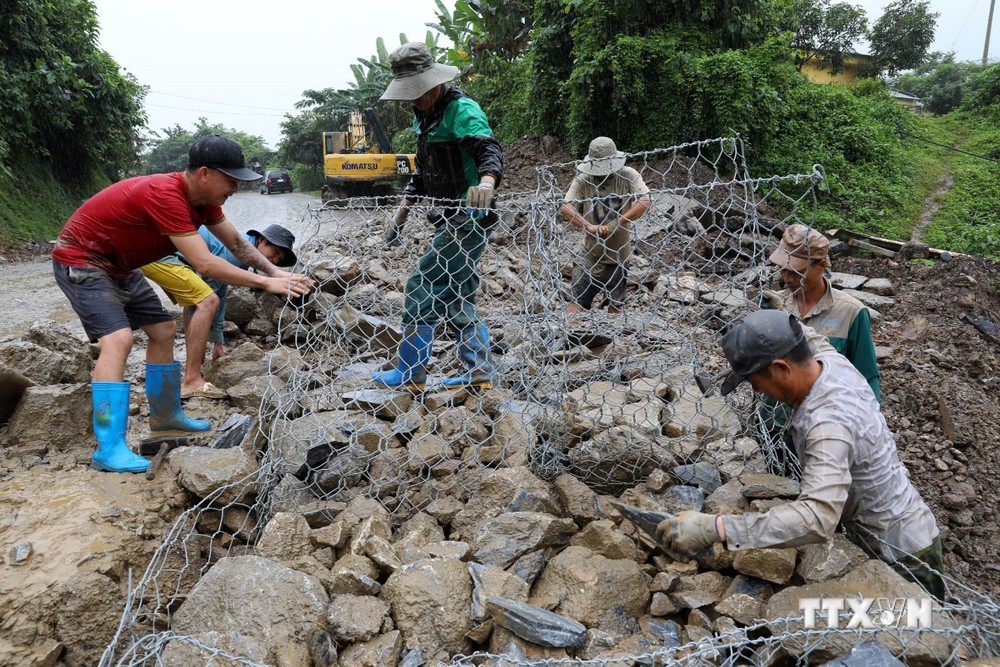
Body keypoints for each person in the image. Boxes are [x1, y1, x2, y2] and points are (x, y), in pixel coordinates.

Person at [52, 135, 314, 474]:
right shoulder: (167, 194)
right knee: (118, 340)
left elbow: (236, 242)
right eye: (231, 180)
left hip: (120, 264)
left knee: (163, 329)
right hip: (83, 257)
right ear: (204, 173)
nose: (235, 188)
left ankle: (164, 417)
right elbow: (204, 264)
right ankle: (109, 445)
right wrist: (266, 282)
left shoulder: (205, 203)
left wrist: (278, 272)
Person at [654, 310, 945, 599]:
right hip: (885, 529)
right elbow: (805, 334)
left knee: (918, 633)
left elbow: (818, 518)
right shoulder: (827, 361)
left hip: (902, 553)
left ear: (782, 369)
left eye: (756, 383)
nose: (758, 391)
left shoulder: (827, 424)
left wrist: (716, 528)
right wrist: (755, 340)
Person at [375, 41, 504, 391]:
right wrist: (401, 212)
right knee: (459, 290)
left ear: (434, 82)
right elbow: (422, 170)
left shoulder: (461, 110)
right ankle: (479, 371)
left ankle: (411, 370)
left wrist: (488, 183)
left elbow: (488, 149)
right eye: (409, 95)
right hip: (446, 216)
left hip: (469, 215)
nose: (412, 100)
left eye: (417, 93)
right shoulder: (425, 115)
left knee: (422, 283)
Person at [141, 224, 298, 399]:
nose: (275, 259)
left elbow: (220, 292)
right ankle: (191, 379)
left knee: (199, 300)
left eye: (279, 258)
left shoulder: (240, 250)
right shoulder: (236, 254)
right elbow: (208, 298)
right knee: (206, 302)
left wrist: (217, 343)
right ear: (260, 240)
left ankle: (193, 366)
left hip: (153, 252)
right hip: (159, 256)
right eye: (274, 250)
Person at [767, 224, 881, 401]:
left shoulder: (851, 312)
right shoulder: (774, 306)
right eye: (783, 269)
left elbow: (867, 379)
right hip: (773, 421)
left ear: (821, 266)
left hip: (825, 419)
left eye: (797, 272)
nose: (788, 278)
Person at [559, 136, 651, 314]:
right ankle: (570, 340)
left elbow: (646, 200)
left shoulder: (628, 175)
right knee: (576, 299)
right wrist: (588, 226)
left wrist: (618, 222)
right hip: (590, 254)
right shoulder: (584, 180)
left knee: (615, 306)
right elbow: (565, 206)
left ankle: (609, 341)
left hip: (619, 256)